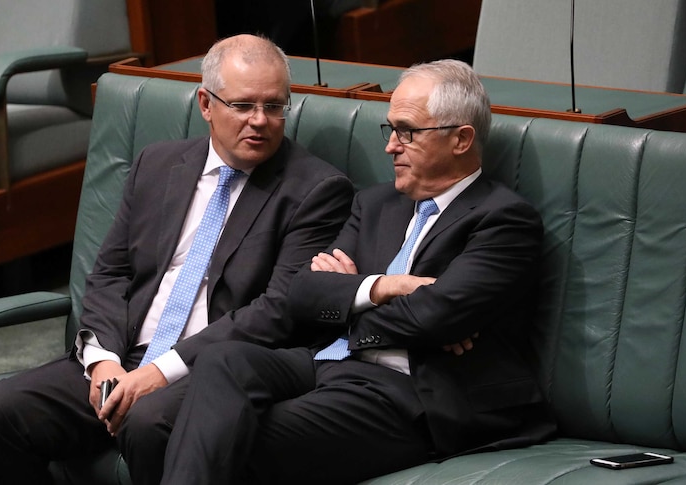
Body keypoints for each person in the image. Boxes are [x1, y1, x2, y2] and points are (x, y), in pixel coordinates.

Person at [0, 34, 355, 484]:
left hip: (205, 370)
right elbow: (111, 272)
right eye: (243, 106)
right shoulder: (157, 164)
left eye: (274, 106)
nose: (260, 121)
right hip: (122, 354)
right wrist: (103, 360)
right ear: (206, 104)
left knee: (150, 422)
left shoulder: (315, 190)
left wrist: (158, 373)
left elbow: (276, 310)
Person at [161, 59, 558, 484]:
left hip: (410, 392)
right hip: (326, 364)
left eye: (408, 132)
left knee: (234, 436)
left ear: (461, 139)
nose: (391, 146)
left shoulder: (503, 220)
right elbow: (302, 294)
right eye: (391, 130)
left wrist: (350, 297)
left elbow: (434, 314)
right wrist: (382, 288)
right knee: (223, 359)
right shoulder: (374, 204)